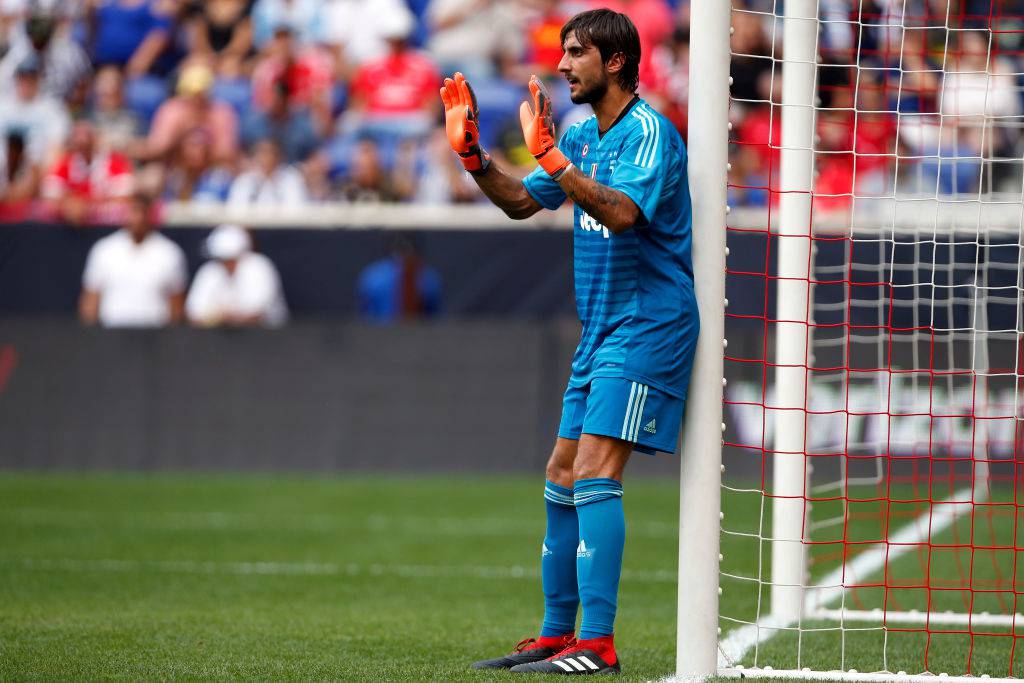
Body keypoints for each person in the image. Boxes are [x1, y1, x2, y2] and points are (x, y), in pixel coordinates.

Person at [441, 9, 696, 675]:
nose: (561, 65)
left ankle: (599, 642)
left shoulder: (650, 132)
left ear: (614, 61)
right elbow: (521, 202)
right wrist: (473, 155)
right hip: (602, 325)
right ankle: (557, 633)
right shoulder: (581, 136)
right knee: (560, 472)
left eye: (575, 52)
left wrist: (551, 154)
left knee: (593, 471)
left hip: (649, 320)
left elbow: (621, 211)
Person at [79, 194, 188, 327]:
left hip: (156, 338)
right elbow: (91, 301)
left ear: (150, 214)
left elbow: (176, 305)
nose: (138, 218)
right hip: (112, 334)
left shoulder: (169, 253)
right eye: (133, 211)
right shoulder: (104, 250)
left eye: (143, 211)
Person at [186, 223, 288, 327]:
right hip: (216, 339)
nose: (225, 263)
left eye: (229, 258)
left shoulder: (259, 267)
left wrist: (219, 315)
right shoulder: (209, 270)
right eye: (221, 258)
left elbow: (256, 313)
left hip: (268, 337)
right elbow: (193, 312)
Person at [357, 233, 441, 321]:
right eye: (402, 247)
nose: (406, 253)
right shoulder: (373, 277)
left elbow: (433, 316)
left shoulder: (429, 278)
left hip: (418, 331)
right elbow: (365, 314)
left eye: (409, 247)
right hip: (380, 330)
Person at [227, 137, 309, 207]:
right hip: (250, 224)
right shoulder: (245, 180)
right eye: (261, 152)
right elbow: (236, 210)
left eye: (270, 152)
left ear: (279, 156)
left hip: (282, 225)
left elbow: (295, 209)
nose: (265, 157)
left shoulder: (292, 178)